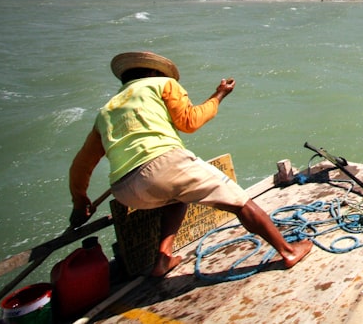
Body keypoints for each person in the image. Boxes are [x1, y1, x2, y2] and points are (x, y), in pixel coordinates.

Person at [69, 51, 312, 277]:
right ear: (154, 73)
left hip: (125, 191)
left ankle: (163, 259)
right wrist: (219, 95)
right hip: (163, 164)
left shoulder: (106, 111)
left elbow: (81, 167)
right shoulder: (163, 84)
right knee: (239, 201)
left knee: (177, 199)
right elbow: (189, 122)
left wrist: (80, 204)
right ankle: (288, 251)